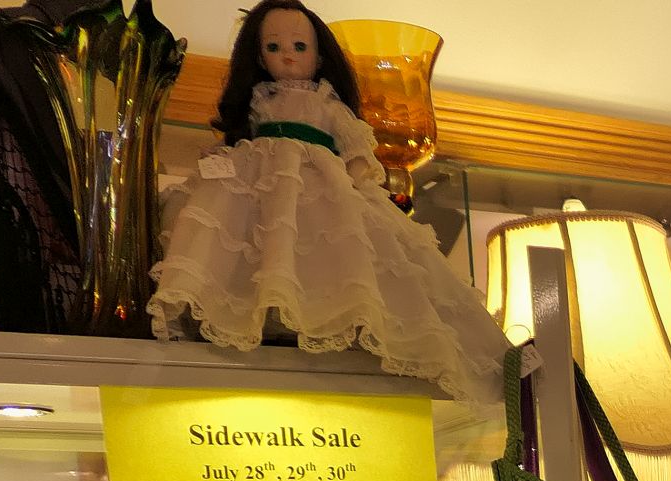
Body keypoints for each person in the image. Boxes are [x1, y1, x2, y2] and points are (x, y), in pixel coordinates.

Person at [148, 2, 508, 403]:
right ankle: (265, 313)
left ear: (319, 57)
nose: (288, 55)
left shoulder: (326, 103)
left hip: (320, 180)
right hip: (260, 182)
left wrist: (358, 183)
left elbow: (354, 146)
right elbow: (238, 137)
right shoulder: (260, 100)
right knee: (256, 241)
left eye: (299, 46)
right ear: (259, 57)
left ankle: (320, 318)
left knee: (324, 249)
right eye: (274, 47)